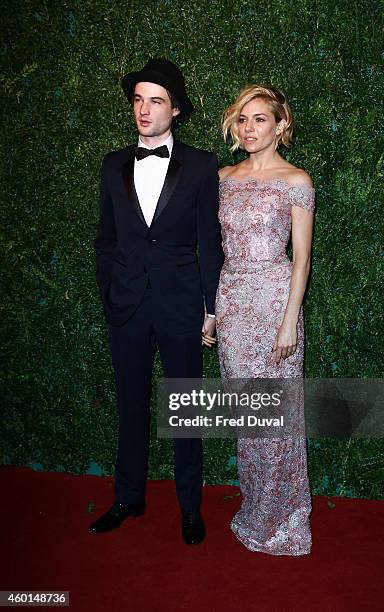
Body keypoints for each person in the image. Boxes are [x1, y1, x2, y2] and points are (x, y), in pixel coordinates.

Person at [90, 58, 224, 545]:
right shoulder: (110, 163)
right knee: (130, 406)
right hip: (125, 305)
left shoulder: (203, 165)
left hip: (181, 305)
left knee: (186, 408)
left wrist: (211, 309)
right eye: (138, 100)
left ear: (176, 110)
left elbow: (209, 242)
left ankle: (191, 507)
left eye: (155, 101)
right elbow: (104, 238)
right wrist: (109, 289)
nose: (143, 110)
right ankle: (128, 497)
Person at [215, 85, 314, 555]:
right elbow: (206, 248)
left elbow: (302, 260)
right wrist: (211, 312)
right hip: (233, 300)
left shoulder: (296, 180)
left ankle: (285, 517)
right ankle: (255, 509)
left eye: (259, 119)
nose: (249, 128)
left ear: (280, 126)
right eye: (242, 119)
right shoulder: (222, 177)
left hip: (275, 300)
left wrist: (289, 320)